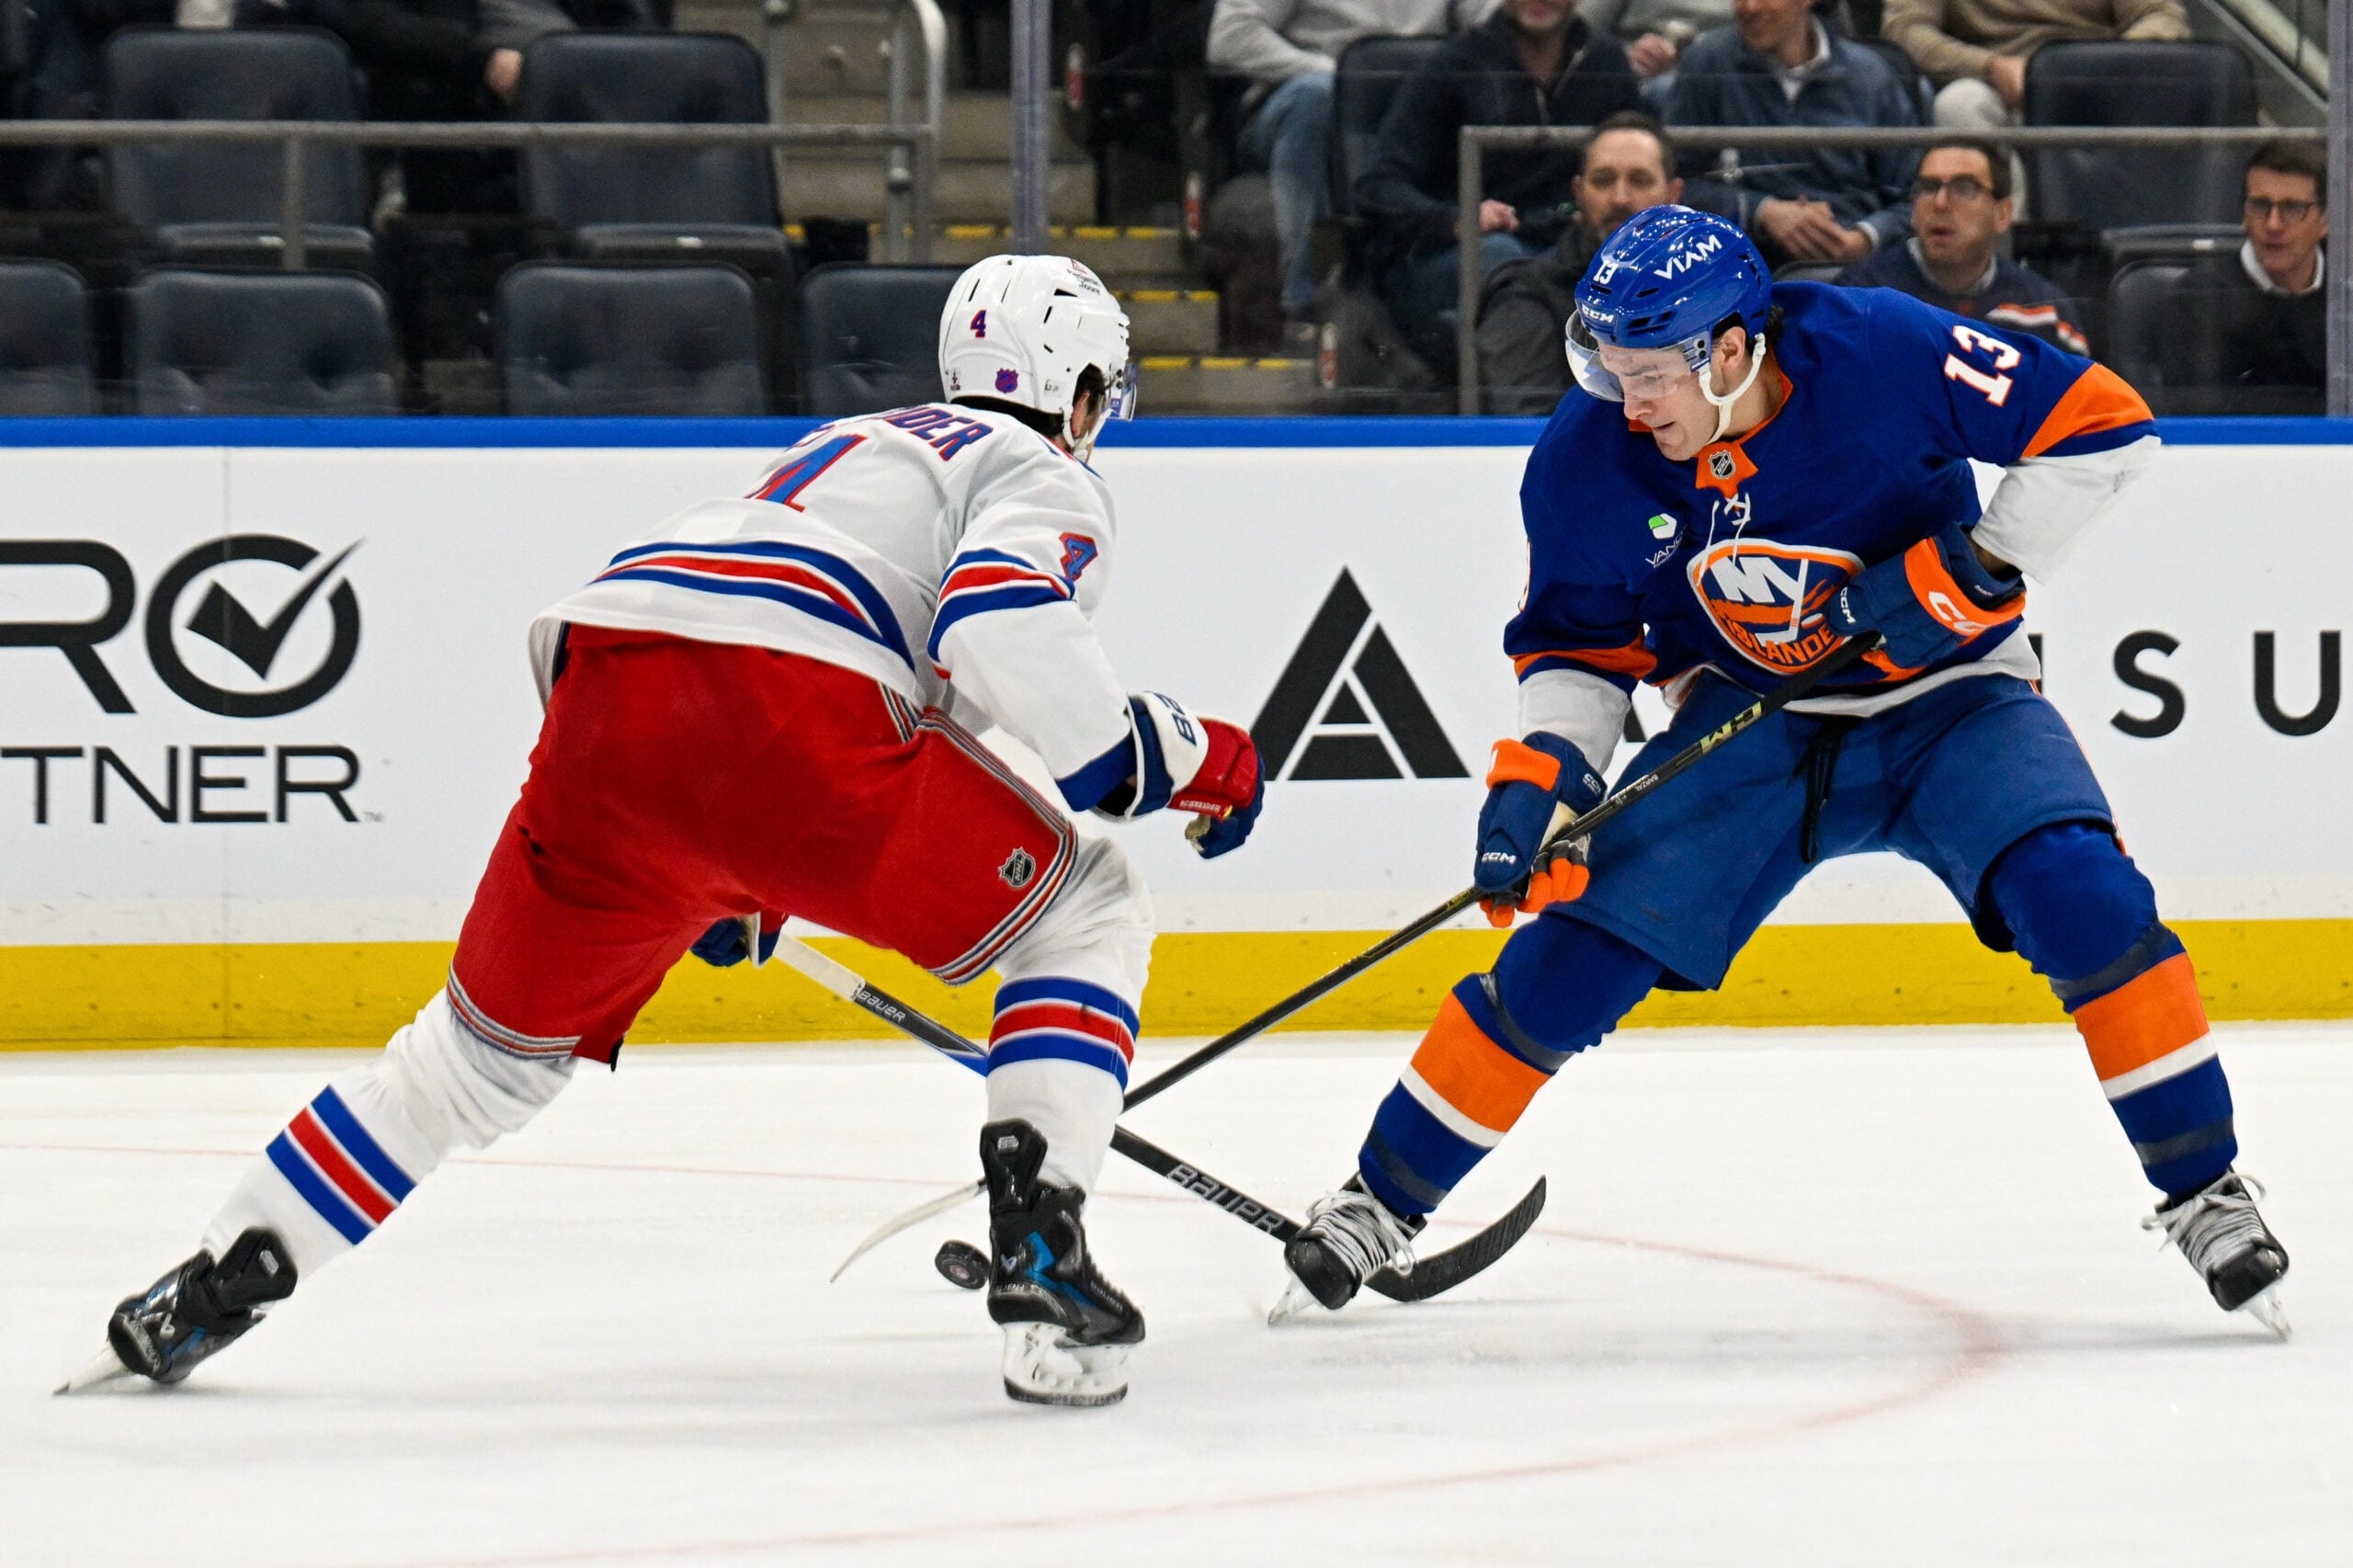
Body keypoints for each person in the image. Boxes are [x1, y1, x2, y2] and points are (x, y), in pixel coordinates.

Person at [71, 255, 1267, 1411]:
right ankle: (1041, 1251)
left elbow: (746, 654)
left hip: (608, 701)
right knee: (1089, 901)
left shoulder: (845, 446)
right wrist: (1201, 757)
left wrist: (733, 874)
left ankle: (215, 1275)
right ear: (1085, 390)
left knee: (469, 1061)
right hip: (784, 707)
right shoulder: (1040, 466)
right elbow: (1002, 638)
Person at [1275, 206, 2290, 1340]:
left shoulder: (1876, 345)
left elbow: (2107, 428)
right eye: (1606, 368)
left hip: (1949, 698)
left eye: (1650, 372)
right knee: (1566, 958)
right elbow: (1578, 652)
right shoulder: (1584, 455)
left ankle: (2206, 1190)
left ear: (1729, 348)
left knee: (2085, 895)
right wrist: (1540, 782)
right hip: (1745, 726)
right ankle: (1377, 1200)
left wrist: (1969, 565)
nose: (1625, 398)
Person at [1355, 0, 1642, 370]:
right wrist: (1458, 219)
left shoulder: (1605, 60)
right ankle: (1509, 409)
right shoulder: (1455, 63)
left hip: (1563, 243)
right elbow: (1378, 185)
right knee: (1505, 260)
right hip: (1458, 256)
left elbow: (1645, 154)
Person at [1207, 0, 1491, 327]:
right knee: (1316, 98)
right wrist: (1339, 75)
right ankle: (1303, 304)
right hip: (1298, 99)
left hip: (1418, 96)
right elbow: (1229, 36)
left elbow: (1499, 22)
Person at [1665, 0, 1921, 267]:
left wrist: (1865, 237)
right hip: (1735, 261)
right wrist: (1761, 210)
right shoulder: (1707, 62)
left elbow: (1915, 194)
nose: (1750, 7)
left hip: (1854, 267)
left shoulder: (1871, 75)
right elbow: (1673, 184)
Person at [1476, 109, 1685, 413]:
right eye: (1603, 180)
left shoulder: (1709, 290)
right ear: (1579, 192)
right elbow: (1530, 429)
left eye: (1640, 181)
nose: (1620, 198)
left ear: (1673, 194)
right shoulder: (1526, 293)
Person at [1835, 138, 2086, 353]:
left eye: (1964, 188)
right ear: (1912, 211)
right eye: (1928, 187)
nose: (1940, 202)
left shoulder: (2044, 310)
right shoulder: (1859, 296)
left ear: (2002, 214)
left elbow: (2085, 406)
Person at [2165, 139, 2326, 413]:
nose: (2273, 224)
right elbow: (2197, 421)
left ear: (2326, 220)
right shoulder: (2196, 299)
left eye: (2292, 208)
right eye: (2261, 206)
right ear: (2244, 214)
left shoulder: (2344, 297)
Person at [1882, 0, 2186, 132]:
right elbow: (1905, 29)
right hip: (1998, 91)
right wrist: (1988, 66)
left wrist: (2101, 65)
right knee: (1960, 103)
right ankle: (2006, 244)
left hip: (2099, 86)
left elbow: (2163, 17)